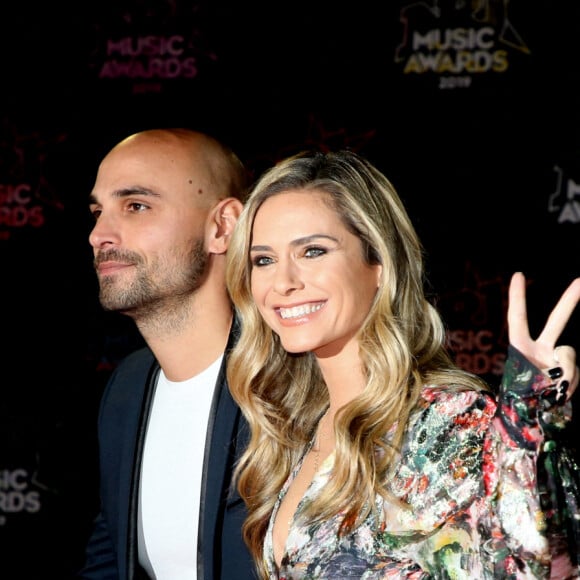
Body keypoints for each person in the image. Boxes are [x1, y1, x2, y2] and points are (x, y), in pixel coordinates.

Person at [224, 149, 580, 578]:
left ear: (378, 264)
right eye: (263, 260)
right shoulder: (297, 426)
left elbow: (537, 566)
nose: (283, 282)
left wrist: (530, 430)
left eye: (313, 252)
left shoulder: (445, 423)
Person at [80, 128, 257, 579]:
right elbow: (109, 560)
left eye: (136, 206)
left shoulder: (295, 381)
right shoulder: (127, 387)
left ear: (222, 227)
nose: (99, 234)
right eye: (98, 211)